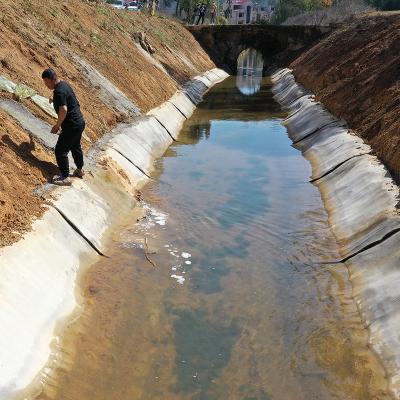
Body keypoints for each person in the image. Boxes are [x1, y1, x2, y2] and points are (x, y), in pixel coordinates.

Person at [42, 68, 85, 186]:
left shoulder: (59, 92)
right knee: (75, 146)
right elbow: (67, 99)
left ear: (50, 80)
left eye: (46, 82)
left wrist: (57, 125)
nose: (46, 85)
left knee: (60, 150)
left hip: (71, 125)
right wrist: (54, 99)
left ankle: (65, 177)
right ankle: (80, 170)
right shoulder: (64, 85)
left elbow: (64, 110)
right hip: (79, 122)